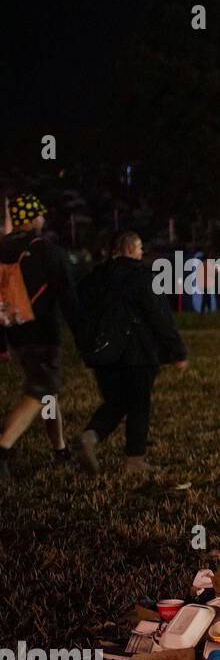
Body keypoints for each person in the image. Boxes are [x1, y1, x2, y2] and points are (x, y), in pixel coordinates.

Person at [74, 231, 188, 476]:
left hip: (104, 355)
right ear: (130, 249)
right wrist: (176, 351)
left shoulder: (94, 278)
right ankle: (134, 460)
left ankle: (90, 436)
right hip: (138, 353)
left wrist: (85, 346)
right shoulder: (143, 277)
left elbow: (79, 314)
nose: (141, 254)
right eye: (139, 250)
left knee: (116, 402)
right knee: (138, 405)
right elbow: (160, 317)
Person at [0, 194, 79, 481]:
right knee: (41, 388)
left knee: (48, 392)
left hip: (14, 331)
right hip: (43, 333)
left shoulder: (2, 250)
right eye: (40, 215)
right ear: (33, 219)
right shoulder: (48, 251)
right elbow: (69, 299)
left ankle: (60, 450)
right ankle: (3, 446)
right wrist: (84, 337)